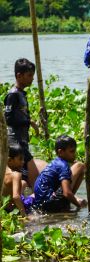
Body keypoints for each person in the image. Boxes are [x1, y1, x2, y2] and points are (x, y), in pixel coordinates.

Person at [3, 58, 47, 189]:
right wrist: (29, 121)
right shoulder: (13, 95)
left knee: (25, 177)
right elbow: (8, 119)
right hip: (15, 142)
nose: (32, 79)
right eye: (29, 76)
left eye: (33, 76)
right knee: (25, 176)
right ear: (19, 76)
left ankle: (25, 201)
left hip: (22, 141)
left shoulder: (22, 94)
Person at [33, 135, 87, 213]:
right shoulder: (63, 166)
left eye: (74, 151)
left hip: (40, 203)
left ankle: (66, 203)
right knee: (81, 166)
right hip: (50, 203)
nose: (74, 154)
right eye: (71, 151)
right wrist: (78, 205)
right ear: (60, 152)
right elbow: (66, 193)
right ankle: (66, 204)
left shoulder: (55, 162)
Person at [2, 144, 34, 217]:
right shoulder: (16, 174)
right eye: (20, 159)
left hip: (3, 209)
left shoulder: (2, 172)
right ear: (9, 160)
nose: (23, 162)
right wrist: (24, 214)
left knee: (24, 183)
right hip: (12, 210)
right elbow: (16, 197)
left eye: (23, 159)